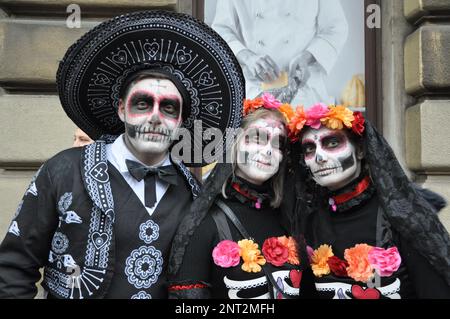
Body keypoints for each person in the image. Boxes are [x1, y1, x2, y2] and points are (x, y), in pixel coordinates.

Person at [0, 10, 245, 299]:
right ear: (121, 109)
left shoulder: (194, 194)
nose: (154, 117)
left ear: (181, 121)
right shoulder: (62, 171)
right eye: (142, 103)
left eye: (168, 108)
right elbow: (13, 269)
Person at [285, 103, 450, 298]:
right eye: (310, 148)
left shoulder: (402, 217)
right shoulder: (309, 220)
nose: (319, 157)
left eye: (332, 143)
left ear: (361, 150)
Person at [168, 94, 303, 299]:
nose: (267, 151)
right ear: (235, 144)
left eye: (277, 144)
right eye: (257, 138)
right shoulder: (204, 222)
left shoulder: (290, 217)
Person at [211, 0, 348, 107]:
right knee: (259, 140)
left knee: (305, 140)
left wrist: (307, 57)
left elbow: (336, 28)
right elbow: (221, 30)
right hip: (255, 89)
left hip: (302, 89)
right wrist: (248, 57)